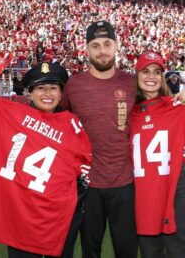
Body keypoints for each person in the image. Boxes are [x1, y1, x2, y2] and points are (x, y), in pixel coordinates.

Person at [0, 62, 92, 258]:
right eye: (40, 88)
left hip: (59, 213)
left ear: (61, 94)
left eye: (53, 88)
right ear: (29, 93)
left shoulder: (72, 123)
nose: (47, 93)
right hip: (21, 211)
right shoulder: (10, 115)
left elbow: (85, 165)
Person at [61, 20, 138, 258]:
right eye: (95, 45)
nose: (102, 50)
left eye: (107, 44)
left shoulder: (132, 83)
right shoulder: (73, 85)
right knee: (89, 251)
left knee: (126, 250)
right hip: (87, 185)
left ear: (116, 47)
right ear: (87, 49)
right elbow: (57, 124)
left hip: (125, 183)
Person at [130, 52, 185, 258]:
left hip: (176, 185)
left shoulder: (176, 106)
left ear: (162, 77)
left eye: (157, 72)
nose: (151, 77)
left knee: (178, 248)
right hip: (143, 187)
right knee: (149, 250)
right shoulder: (128, 112)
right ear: (137, 75)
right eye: (146, 71)